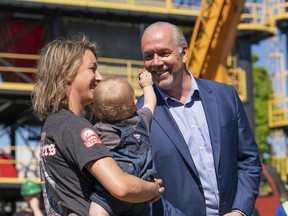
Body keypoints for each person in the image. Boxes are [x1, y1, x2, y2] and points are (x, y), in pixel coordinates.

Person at [138, 21, 262, 216]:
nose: (156, 62)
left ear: (184, 53)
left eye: (164, 53)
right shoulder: (138, 114)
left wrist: (239, 211)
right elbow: (140, 185)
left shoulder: (225, 97)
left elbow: (248, 161)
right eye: (148, 56)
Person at [31, 36, 164, 216]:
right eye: (92, 69)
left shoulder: (54, 125)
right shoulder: (75, 126)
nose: (99, 77)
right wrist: (153, 189)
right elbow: (122, 186)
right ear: (66, 71)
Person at [89, 71, 156, 216]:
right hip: (140, 190)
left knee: (96, 212)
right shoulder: (143, 120)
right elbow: (151, 102)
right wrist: (147, 85)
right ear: (135, 104)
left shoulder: (100, 129)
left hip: (111, 190)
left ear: (96, 111)